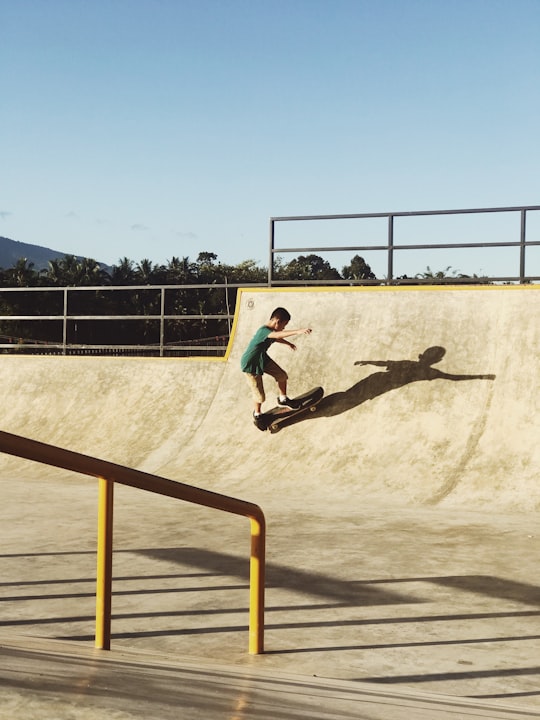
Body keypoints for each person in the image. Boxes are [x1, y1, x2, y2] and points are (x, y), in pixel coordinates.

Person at [241, 307, 312, 428]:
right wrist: (297, 331)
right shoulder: (263, 330)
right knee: (260, 396)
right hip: (250, 364)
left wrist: (288, 343)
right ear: (277, 321)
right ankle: (257, 415)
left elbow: (277, 338)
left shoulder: (271, 332)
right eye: (284, 326)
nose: (283, 328)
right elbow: (277, 334)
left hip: (262, 359)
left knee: (282, 375)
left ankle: (283, 399)